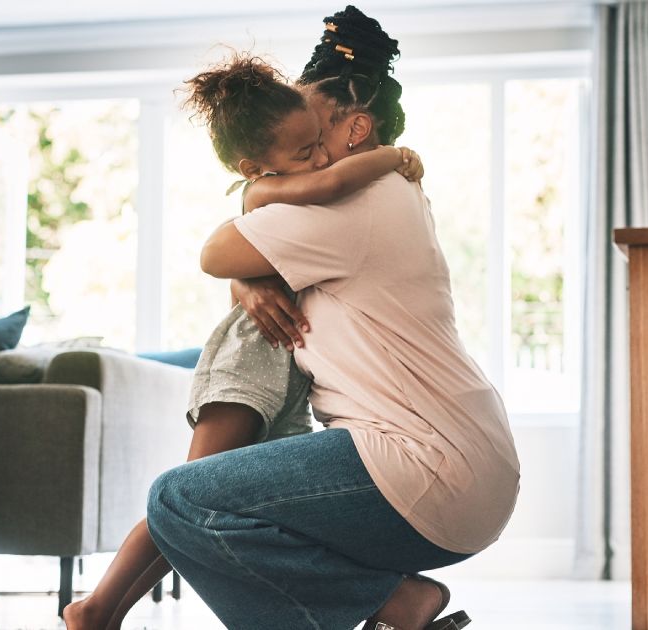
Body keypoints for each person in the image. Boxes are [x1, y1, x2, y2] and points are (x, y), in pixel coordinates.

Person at [146, 6, 520, 630]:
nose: (296, 144)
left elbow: (215, 252)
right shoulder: (383, 193)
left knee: (180, 498)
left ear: (355, 129)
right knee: (224, 508)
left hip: (422, 462)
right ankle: (389, 604)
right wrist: (249, 278)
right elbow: (241, 255)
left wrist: (243, 269)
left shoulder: (356, 197)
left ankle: (395, 604)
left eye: (312, 128)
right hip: (459, 463)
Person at [63, 51, 424, 630]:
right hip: (253, 353)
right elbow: (329, 183)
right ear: (255, 164)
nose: (320, 156)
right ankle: (97, 607)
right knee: (189, 489)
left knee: (244, 505)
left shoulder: (287, 184)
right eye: (304, 150)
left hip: (286, 365)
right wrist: (395, 158)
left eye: (317, 142)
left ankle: (374, 599)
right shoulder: (269, 192)